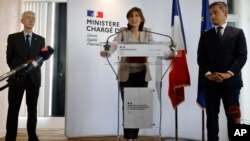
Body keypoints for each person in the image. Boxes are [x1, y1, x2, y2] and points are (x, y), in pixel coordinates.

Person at [100, 7, 153, 141]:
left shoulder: (147, 32)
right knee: (129, 106)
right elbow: (114, 44)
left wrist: (167, 55)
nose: (134, 18)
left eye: (136, 16)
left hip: (142, 74)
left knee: (138, 107)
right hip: (126, 74)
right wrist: (107, 52)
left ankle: (134, 137)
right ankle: (128, 137)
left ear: (141, 18)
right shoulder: (123, 32)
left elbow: (155, 48)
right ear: (128, 19)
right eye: (131, 16)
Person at [197, 1, 247, 141]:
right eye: (210, 14)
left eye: (215, 13)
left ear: (225, 13)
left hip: (231, 83)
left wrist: (227, 74)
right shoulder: (206, 35)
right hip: (211, 83)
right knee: (211, 119)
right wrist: (209, 75)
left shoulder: (237, 33)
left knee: (234, 118)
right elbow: (201, 58)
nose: (212, 16)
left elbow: (242, 56)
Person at [5, 11, 45, 141]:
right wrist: (19, 70)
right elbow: (9, 59)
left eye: (33, 18)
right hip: (17, 79)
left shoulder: (40, 40)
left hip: (34, 79)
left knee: (32, 110)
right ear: (22, 20)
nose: (31, 20)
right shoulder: (13, 37)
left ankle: (32, 136)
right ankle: (10, 137)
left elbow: (41, 60)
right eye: (28, 17)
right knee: (13, 110)